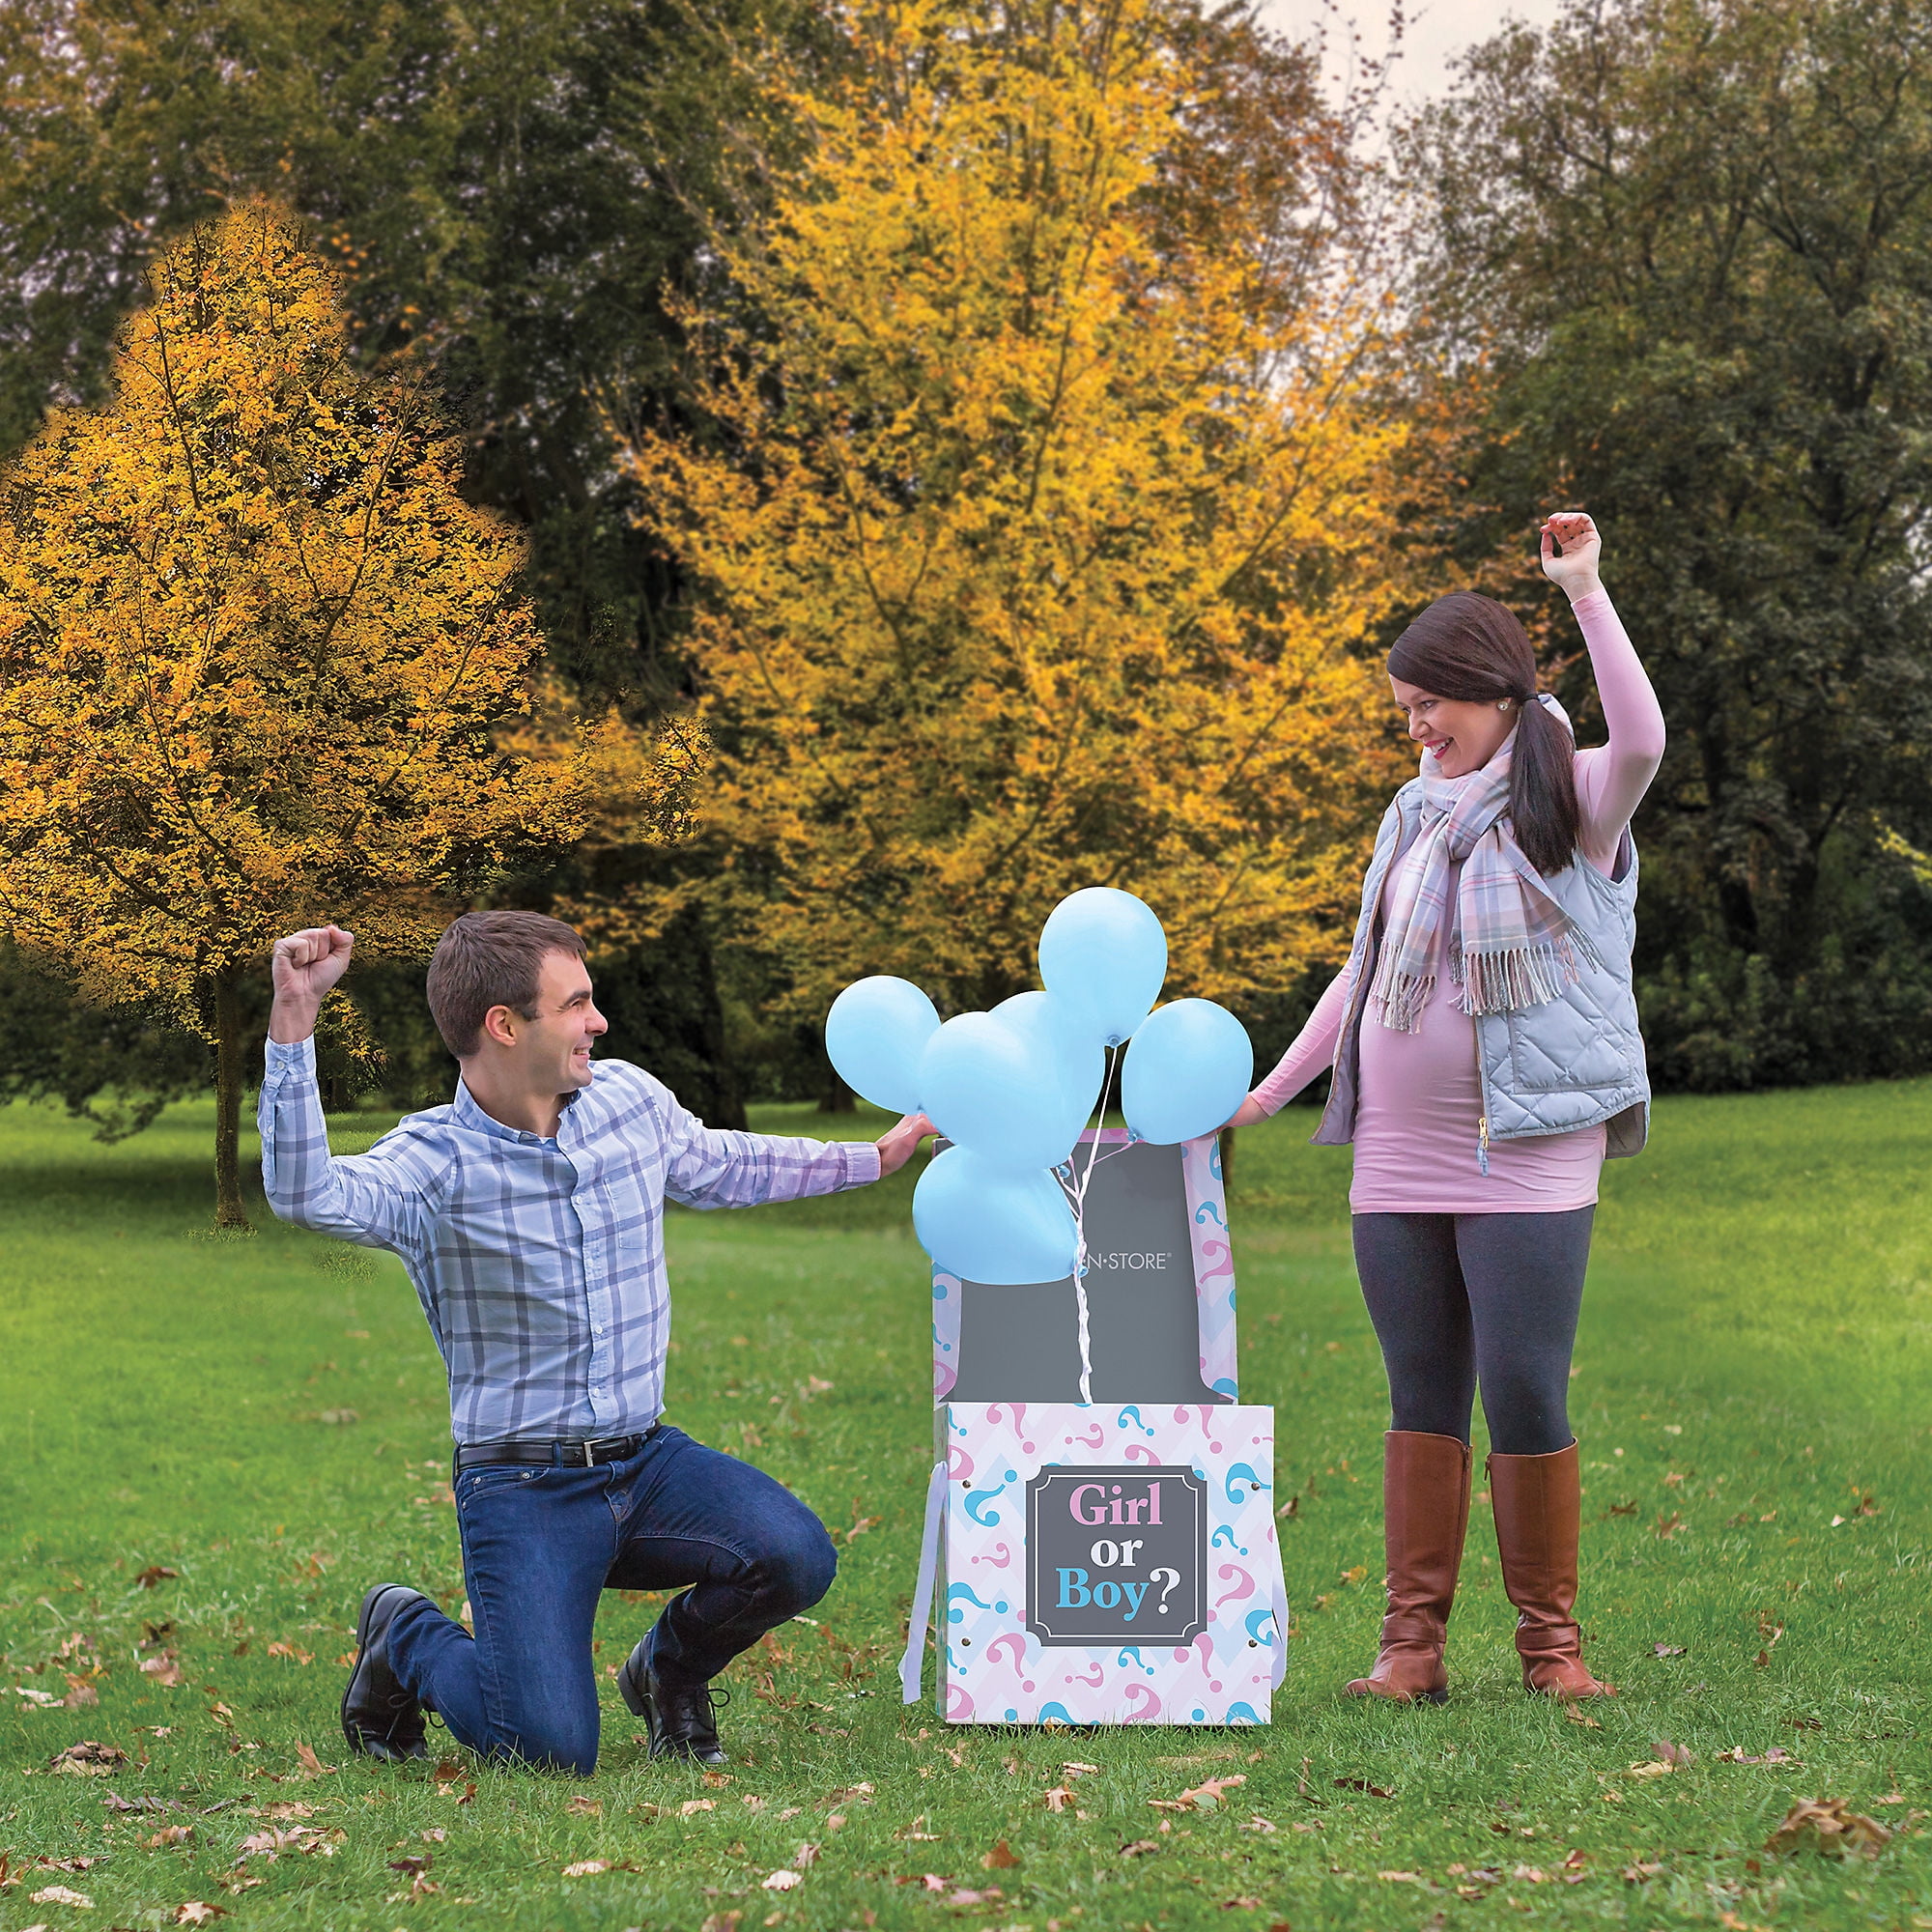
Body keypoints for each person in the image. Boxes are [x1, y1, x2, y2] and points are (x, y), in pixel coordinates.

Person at [259, 910, 932, 1771]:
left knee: (793, 1556)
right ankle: (408, 1636)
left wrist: (870, 1160)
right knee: (544, 1749)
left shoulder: (627, 1100)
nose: (598, 1022)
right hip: (523, 1488)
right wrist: (292, 1028)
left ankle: (666, 1675)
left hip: (646, 1466)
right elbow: (306, 1194)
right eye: (576, 1004)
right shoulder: (432, 1163)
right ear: (506, 1027)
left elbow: (721, 1162)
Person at [1227, 512, 1664, 1703]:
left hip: (1525, 1149)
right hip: (1396, 1153)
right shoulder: (1410, 816)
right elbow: (1361, 970)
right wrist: (1268, 1094)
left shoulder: (1571, 799)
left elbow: (1641, 735)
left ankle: (1550, 1648)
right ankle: (1407, 1648)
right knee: (1418, 1396)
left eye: (1431, 701)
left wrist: (1582, 587)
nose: (1416, 725)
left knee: (1525, 1386)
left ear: (1489, 688)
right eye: (1404, 706)